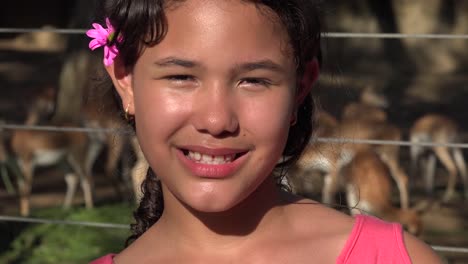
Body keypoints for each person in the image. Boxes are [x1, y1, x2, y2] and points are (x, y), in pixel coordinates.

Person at [87, 0, 442, 263]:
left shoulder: (392, 257)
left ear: (300, 89)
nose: (216, 120)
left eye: (254, 80)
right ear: (125, 81)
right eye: (181, 77)